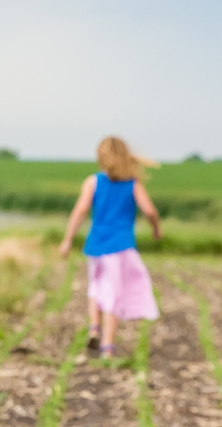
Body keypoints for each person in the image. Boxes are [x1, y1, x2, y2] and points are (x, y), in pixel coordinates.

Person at [57, 135, 163, 357]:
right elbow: (151, 211)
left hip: (95, 245)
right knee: (113, 293)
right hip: (120, 246)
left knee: (95, 286)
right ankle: (107, 345)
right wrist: (155, 229)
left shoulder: (93, 182)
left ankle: (94, 326)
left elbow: (80, 211)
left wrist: (67, 240)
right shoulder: (133, 184)